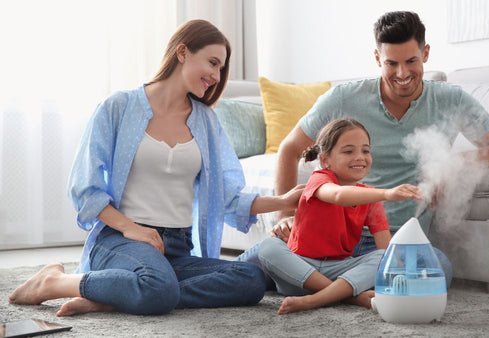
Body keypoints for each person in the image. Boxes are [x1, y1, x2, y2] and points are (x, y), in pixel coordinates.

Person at [8, 20, 303, 317]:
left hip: (175, 247)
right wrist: (132, 229)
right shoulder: (118, 107)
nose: (216, 76)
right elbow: (86, 188)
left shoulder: (206, 122)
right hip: (121, 239)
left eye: (221, 69)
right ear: (183, 52)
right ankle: (56, 282)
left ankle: (119, 295)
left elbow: (227, 197)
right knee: (159, 288)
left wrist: (283, 200)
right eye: (212, 63)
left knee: (251, 280)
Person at [238, 11, 489, 288]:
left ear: (426, 53)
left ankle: (320, 283)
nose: (402, 73)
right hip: (327, 237)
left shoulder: (451, 100)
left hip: (396, 241)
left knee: (438, 271)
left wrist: (452, 163)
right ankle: (346, 285)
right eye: (391, 63)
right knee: (244, 273)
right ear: (377, 59)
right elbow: (289, 149)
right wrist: (285, 217)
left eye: (411, 61)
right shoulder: (344, 98)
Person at [258, 118, 422, 314]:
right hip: (299, 271)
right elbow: (337, 195)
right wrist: (387, 193)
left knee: (384, 257)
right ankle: (351, 298)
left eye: (365, 150)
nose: (360, 157)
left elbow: (385, 249)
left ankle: (314, 300)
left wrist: (402, 277)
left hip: (340, 270)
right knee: (268, 246)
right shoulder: (319, 179)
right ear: (325, 160)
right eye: (348, 151)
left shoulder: (369, 197)